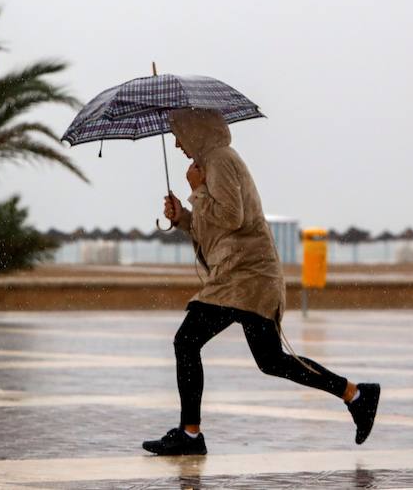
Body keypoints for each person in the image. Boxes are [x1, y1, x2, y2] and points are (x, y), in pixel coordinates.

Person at [142, 107, 380, 456]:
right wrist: (183, 218)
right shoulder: (211, 162)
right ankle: (356, 394)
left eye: (178, 133)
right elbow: (216, 229)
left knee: (187, 341)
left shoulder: (220, 159)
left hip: (246, 276)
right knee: (271, 361)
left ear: (195, 130)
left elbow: (232, 217)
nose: (177, 143)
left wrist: (196, 191)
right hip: (242, 275)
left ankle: (190, 436)